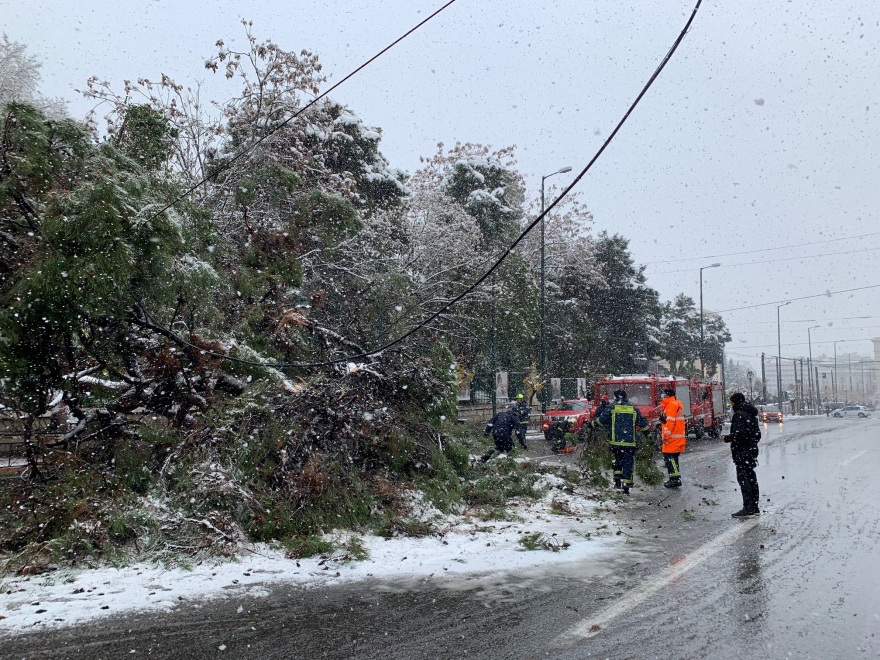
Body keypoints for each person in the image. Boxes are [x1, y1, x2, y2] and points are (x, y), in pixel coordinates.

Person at [592, 389, 651, 494]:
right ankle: (626, 485)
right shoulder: (633, 409)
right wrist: (649, 436)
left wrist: (591, 424)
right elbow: (643, 424)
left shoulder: (612, 407)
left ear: (616, 397)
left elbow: (601, 420)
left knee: (617, 461)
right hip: (629, 442)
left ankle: (618, 481)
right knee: (628, 462)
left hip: (615, 442)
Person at [723, 392, 762, 518]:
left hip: (742, 452)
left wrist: (729, 438)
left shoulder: (739, 415)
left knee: (744, 479)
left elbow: (739, 435)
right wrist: (751, 443)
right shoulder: (751, 414)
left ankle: (748, 508)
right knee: (752, 479)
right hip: (751, 451)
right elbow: (757, 435)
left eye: (732, 402)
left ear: (735, 402)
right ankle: (755, 507)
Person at [658, 387, 686, 489]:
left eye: (663, 393)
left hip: (672, 439)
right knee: (671, 459)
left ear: (667, 395)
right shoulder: (673, 404)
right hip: (674, 437)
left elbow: (671, 423)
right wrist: (664, 421)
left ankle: (675, 479)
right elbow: (671, 421)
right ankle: (673, 479)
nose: (662, 395)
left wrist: (666, 436)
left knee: (671, 459)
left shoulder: (671, 405)